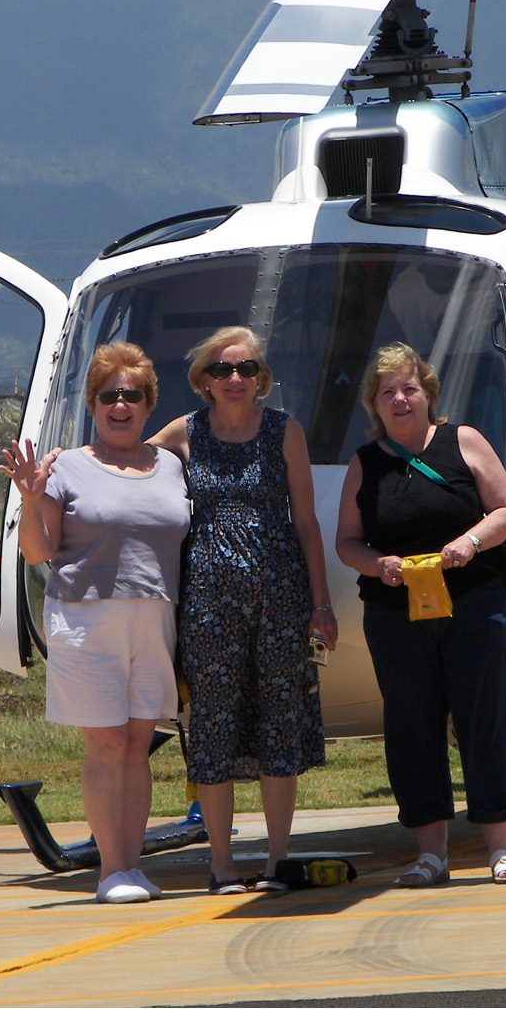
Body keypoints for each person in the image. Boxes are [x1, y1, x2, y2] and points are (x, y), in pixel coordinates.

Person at [0, 342, 191, 905]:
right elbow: (37, 553)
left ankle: (133, 866)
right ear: (92, 403)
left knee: (138, 743)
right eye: (110, 395)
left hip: (154, 615)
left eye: (133, 395)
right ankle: (112, 871)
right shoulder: (66, 468)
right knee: (107, 745)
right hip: (86, 617)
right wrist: (31, 501)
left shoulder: (171, 466)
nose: (121, 405)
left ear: (149, 404)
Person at [151, 325, 338, 895]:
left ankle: (278, 860)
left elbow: (305, 523)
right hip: (208, 601)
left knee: (279, 719)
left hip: (280, 595)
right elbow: (122, 464)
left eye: (248, 369)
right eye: (223, 370)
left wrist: (321, 602)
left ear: (262, 378)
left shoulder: (284, 431)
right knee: (212, 723)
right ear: (203, 379)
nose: (236, 379)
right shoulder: (184, 432)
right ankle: (222, 865)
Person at [334, 342, 506, 887]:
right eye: (387, 392)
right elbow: (347, 543)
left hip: (474, 604)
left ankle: (501, 848)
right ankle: (431, 854)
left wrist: (469, 541)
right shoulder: (364, 463)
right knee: (411, 727)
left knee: (483, 720)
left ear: (428, 394)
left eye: (409, 388)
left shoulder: (462, 441)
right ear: (374, 403)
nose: (400, 399)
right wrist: (380, 565)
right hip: (397, 616)